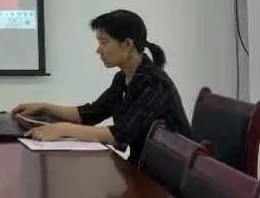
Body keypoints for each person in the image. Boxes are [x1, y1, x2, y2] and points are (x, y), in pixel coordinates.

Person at [12, 10, 192, 163]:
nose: (98, 50)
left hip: (172, 178)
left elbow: (120, 134)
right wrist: (45, 107)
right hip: (146, 167)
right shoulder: (123, 78)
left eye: (103, 42)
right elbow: (91, 113)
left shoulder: (153, 83)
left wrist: (62, 130)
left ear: (128, 44)